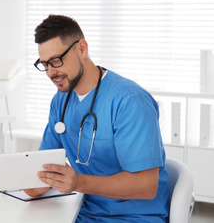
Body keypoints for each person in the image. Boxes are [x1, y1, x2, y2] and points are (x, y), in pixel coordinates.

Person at [23, 15, 169, 222]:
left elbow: (146, 185)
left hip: (133, 217)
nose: (51, 72)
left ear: (82, 48)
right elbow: (45, 164)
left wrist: (78, 182)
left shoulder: (129, 101)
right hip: (80, 212)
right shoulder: (61, 100)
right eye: (45, 64)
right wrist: (28, 179)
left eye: (56, 61)